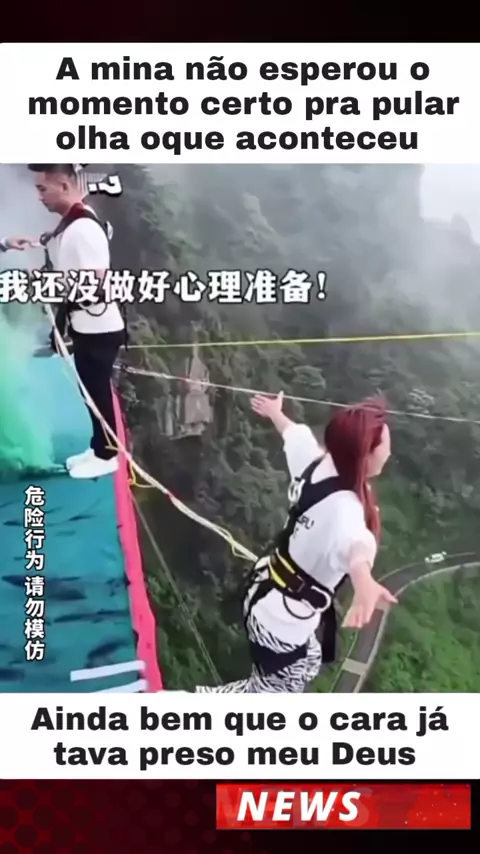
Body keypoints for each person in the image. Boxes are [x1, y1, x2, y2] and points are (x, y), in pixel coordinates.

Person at [197, 392, 397, 693]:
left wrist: (276, 413)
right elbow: (357, 548)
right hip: (279, 623)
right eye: (385, 446)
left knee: (307, 662)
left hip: (267, 590)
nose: (389, 453)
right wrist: (364, 582)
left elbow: (293, 433)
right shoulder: (345, 510)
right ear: (364, 455)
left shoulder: (316, 462)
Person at [27, 164, 125, 480]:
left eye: (43, 189)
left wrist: (52, 287)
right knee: (89, 390)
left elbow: (96, 283)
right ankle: (98, 447)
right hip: (87, 326)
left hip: (99, 327)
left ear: (64, 186)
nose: (39, 196)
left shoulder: (83, 228)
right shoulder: (73, 222)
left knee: (96, 391)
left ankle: (108, 455)